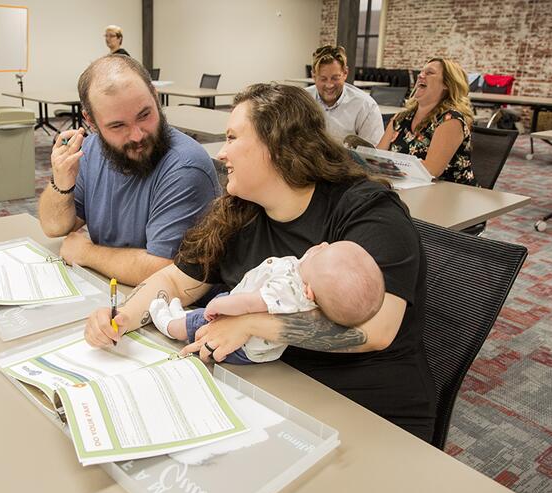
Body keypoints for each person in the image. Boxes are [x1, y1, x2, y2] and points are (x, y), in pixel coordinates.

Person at [84, 83, 437, 443]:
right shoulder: (240, 211)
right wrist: (123, 317)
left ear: (278, 145)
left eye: (233, 137)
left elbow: (376, 331)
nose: (222, 154)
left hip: (369, 410)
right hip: (276, 390)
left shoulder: (366, 210)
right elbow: (176, 282)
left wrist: (253, 324)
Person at [38, 55, 219, 286]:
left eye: (144, 115)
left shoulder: (185, 166)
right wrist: (61, 181)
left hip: (167, 308)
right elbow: (55, 227)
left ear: (155, 95)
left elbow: (164, 271)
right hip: (112, 287)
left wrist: (87, 253)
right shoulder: (91, 150)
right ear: (90, 121)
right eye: (117, 125)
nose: (137, 135)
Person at [149, 241, 385, 364]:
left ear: (309, 293)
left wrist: (216, 307)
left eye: (322, 253)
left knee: (203, 317)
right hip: (253, 339)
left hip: (241, 347)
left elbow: (250, 304)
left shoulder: (289, 290)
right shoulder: (315, 289)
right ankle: (183, 317)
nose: (321, 246)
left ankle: (169, 325)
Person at [377, 58, 476, 185]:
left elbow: (431, 170)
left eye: (429, 73)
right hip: (404, 186)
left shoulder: (450, 120)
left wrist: (388, 164)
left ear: (447, 84)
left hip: (448, 194)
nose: (420, 75)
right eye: (421, 72)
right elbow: (377, 157)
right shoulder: (401, 118)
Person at [305, 45, 383, 146]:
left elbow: (373, 154)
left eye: (335, 78)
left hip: (349, 161)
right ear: (313, 76)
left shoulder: (366, 106)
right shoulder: (301, 101)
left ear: (345, 73)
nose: (329, 85)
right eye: (323, 79)